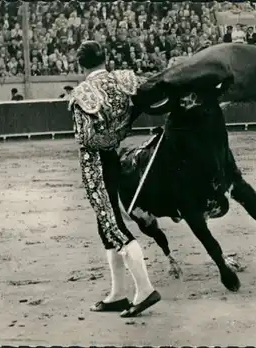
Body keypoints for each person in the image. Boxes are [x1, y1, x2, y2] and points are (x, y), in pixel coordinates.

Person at [68, 41, 161, 318]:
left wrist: (108, 137)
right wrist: (122, 128)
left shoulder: (82, 93)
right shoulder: (125, 79)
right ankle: (117, 294)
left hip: (95, 164)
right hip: (113, 159)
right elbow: (153, 94)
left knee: (114, 227)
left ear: (80, 64)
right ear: (104, 58)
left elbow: (86, 138)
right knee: (106, 228)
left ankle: (144, 289)